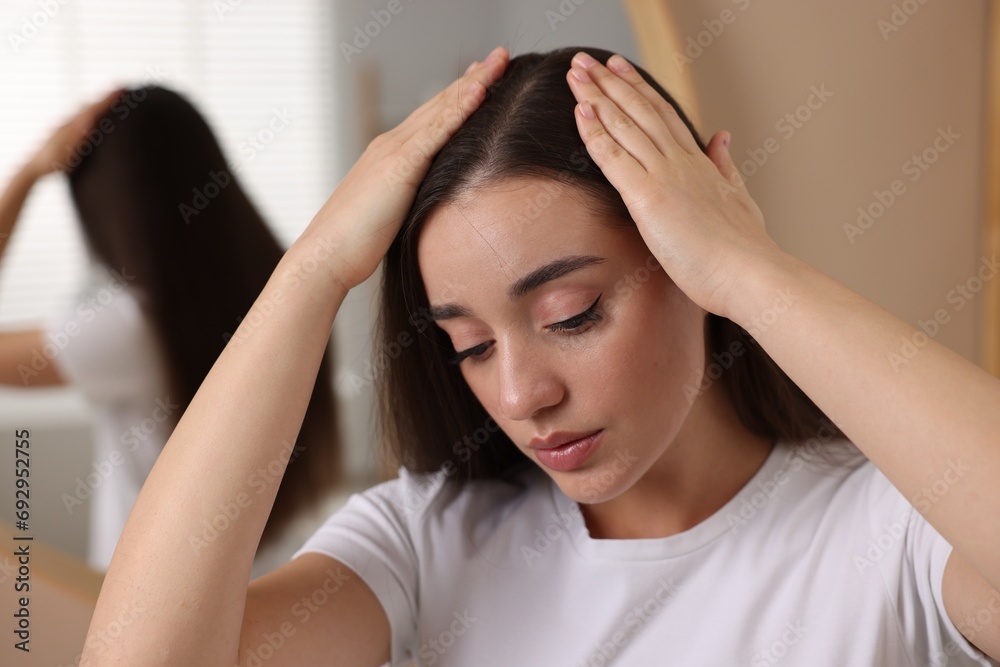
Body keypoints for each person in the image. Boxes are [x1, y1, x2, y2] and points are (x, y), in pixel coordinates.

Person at [80, 45, 1000, 666]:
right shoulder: (423, 542)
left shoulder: (895, 530)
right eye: (469, 346)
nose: (520, 393)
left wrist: (752, 273)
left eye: (572, 313)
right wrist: (312, 274)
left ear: (691, 265)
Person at [0, 86, 341, 571]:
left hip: (147, 603)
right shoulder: (278, 280)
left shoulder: (127, 326)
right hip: (269, 577)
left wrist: (31, 172)